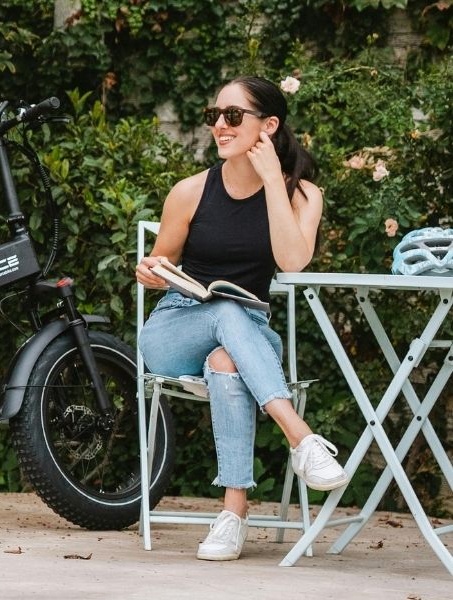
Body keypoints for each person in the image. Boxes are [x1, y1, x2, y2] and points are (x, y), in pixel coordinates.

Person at [135, 76, 348, 561]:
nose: (220, 126)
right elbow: (160, 263)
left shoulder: (303, 195)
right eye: (215, 116)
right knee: (225, 311)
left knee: (228, 358)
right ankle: (301, 436)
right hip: (176, 327)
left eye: (233, 116)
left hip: (247, 336)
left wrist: (274, 180)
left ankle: (233, 515)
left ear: (269, 126)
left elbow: (293, 261)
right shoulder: (189, 192)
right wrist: (151, 270)